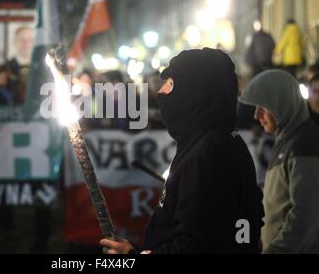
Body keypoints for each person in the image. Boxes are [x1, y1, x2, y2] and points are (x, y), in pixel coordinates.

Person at [100, 48, 264, 254]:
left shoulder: (207, 154)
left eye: (170, 84)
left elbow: (195, 246)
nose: (161, 93)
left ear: (194, 92)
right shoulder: (224, 140)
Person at [239, 69, 319, 253]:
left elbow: (305, 215)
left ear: (281, 103)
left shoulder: (305, 144)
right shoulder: (287, 141)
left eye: (263, 107)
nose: (256, 115)